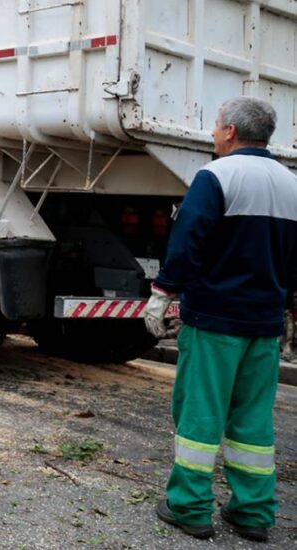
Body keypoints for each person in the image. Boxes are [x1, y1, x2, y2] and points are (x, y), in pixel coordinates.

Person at [145, 97, 297, 543]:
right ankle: (253, 513)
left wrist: (163, 292)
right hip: (264, 326)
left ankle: (189, 507)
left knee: (201, 414)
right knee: (253, 421)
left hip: (215, 322)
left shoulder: (216, 176)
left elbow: (188, 241)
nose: (213, 132)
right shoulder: (291, 185)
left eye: (215, 124)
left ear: (230, 131)